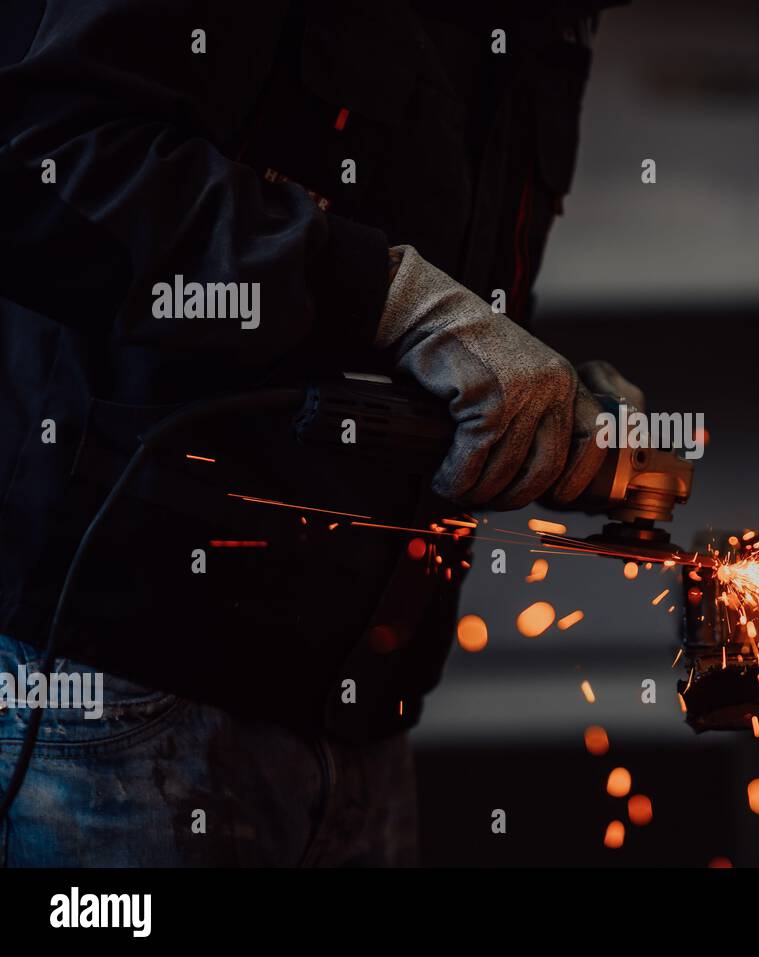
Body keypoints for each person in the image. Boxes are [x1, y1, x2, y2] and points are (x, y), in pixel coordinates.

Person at [0, 0, 636, 865]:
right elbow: (48, 162)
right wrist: (386, 296)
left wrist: (531, 387)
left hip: (360, 707)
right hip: (125, 702)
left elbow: (419, 262)